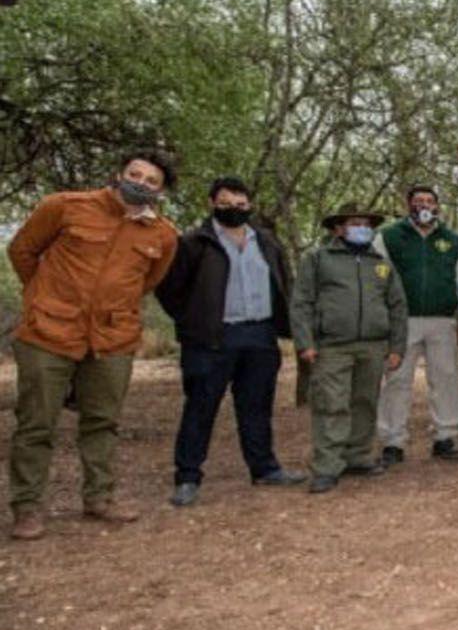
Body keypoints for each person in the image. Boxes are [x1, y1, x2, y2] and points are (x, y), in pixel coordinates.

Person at [7, 151, 180, 540]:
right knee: (36, 423)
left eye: (151, 180)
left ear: (161, 190)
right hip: (49, 333)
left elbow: (147, 282)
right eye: (135, 174)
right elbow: (22, 250)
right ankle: (27, 507)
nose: (141, 182)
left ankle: (99, 497)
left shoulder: (163, 235)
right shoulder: (65, 206)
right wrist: (43, 297)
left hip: (112, 339)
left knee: (102, 421)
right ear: (119, 174)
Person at [155, 176, 304, 508]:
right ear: (212, 203)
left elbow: (284, 282)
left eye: (240, 204)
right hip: (212, 338)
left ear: (249, 205)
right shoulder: (195, 243)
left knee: (256, 406)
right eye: (225, 203)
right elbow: (169, 289)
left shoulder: (266, 241)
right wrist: (194, 321)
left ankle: (264, 468)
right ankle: (188, 477)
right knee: (200, 407)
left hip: (260, 334)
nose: (233, 209)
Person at [291, 203, 408, 493]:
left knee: (365, 402)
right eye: (356, 223)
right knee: (331, 405)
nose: (363, 228)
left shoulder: (380, 262)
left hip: (372, 345)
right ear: (338, 228)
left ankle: (358, 456)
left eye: (367, 224)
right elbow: (301, 302)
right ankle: (327, 466)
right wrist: (304, 342)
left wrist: (397, 346)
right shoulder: (318, 259)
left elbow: (397, 306)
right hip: (331, 347)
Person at [376, 185, 458, 465]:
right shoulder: (388, 237)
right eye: (418, 201)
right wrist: (383, 319)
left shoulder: (454, 240)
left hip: (443, 319)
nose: (424, 205)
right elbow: (378, 279)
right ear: (408, 205)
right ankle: (393, 441)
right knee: (397, 380)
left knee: (445, 378)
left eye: (429, 201)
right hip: (402, 321)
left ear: (437, 207)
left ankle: (445, 437)